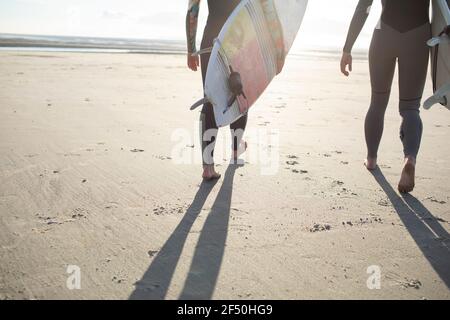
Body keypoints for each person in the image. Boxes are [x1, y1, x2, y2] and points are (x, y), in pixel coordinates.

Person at [340, 0, 431, 193]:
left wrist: (347, 48)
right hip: (418, 36)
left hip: (384, 35)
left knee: (378, 102)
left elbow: (363, 7)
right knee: (410, 108)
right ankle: (410, 159)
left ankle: (371, 159)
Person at [186, 0, 248, 180]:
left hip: (211, 40)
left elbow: (192, 11)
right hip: (239, 39)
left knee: (211, 99)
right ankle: (236, 150)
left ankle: (208, 166)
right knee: (240, 92)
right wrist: (277, 48)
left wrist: (191, 49)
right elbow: (264, 8)